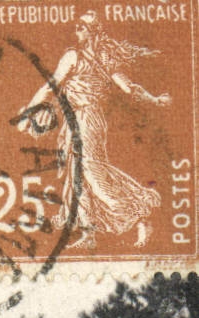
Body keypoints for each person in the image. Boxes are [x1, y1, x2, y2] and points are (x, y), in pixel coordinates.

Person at [19, 12, 171, 249]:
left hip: (89, 119)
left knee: (91, 171)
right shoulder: (73, 56)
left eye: (81, 27)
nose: (76, 31)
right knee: (76, 173)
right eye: (76, 27)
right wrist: (29, 110)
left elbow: (128, 87)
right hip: (76, 119)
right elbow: (51, 87)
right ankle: (87, 231)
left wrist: (154, 99)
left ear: (93, 31)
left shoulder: (98, 58)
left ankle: (139, 218)